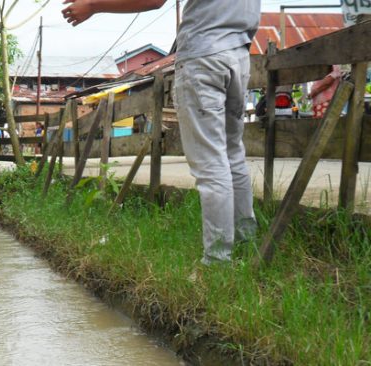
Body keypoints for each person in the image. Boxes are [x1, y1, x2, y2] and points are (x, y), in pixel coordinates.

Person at [63, 0, 259, 265]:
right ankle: (247, 246)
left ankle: (217, 261)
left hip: (204, 56)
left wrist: (94, 5)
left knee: (211, 164)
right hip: (238, 56)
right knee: (233, 154)